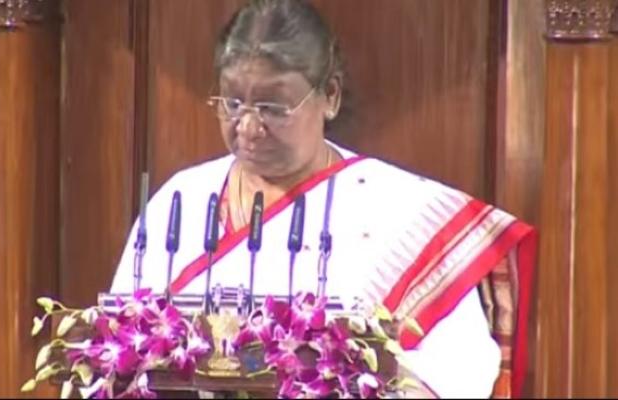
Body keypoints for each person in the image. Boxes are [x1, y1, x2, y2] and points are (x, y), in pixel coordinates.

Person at [111, 0, 536, 398]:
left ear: (329, 95)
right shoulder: (181, 200)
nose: (248, 127)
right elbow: (120, 347)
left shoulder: (400, 211)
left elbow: (462, 368)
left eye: (273, 108)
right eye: (233, 103)